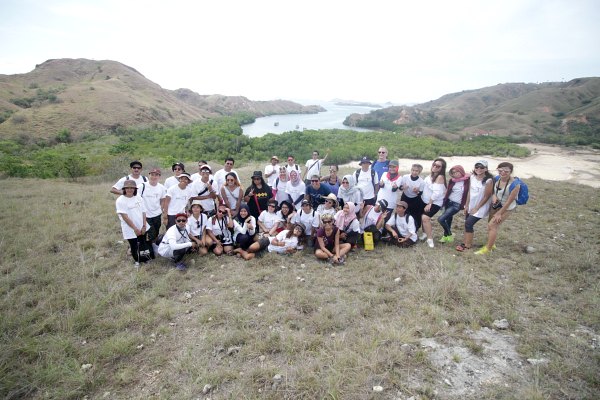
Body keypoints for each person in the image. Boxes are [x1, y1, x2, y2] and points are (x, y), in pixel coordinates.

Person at [475, 162, 521, 255]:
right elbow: (492, 190)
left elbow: (509, 201)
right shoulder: (496, 178)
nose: (503, 172)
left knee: (492, 225)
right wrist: (494, 196)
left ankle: (488, 249)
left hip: (506, 208)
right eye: (500, 170)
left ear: (510, 171)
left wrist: (499, 213)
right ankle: (492, 244)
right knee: (491, 225)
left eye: (506, 171)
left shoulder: (515, 185)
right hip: (496, 204)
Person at [456, 160, 494, 252]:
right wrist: (467, 205)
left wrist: (477, 207)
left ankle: (468, 245)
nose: (479, 169)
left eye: (481, 167)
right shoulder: (472, 177)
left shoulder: (488, 181)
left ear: (486, 169)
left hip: (481, 206)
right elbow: (469, 192)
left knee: (469, 223)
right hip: (471, 204)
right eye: (477, 167)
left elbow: (487, 196)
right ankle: (465, 241)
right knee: (467, 223)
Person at [115, 179, 153, 266]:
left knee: (143, 242)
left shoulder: (138, 197)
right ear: (124, 189)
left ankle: (145, 258)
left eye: (132, 188)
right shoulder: (120, 200)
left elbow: (144, 211)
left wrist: (144, 226)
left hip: (141, 225)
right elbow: (125, 217)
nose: (130, 189)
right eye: (127, 188)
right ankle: (137, 260)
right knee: (134, 245)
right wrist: (135, 229)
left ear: (135, 189)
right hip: (130, 228)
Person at [234, 224, 305, 260]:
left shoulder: (299, 242)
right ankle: (246, 250)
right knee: (252, 248)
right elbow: (274, 241)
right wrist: (279, 243)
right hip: (268, 241)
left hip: (271, 251)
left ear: (301, 233)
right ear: (294, 228)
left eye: (300, 230)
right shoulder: (286, 232)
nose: (297, 231)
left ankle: (240, 251)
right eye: (297, 228)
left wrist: (291, 251)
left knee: (247, 257)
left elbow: (297, 251)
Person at [437, 165, 470, 243]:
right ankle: (445, 237)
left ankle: (450, 234)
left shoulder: (468, 180)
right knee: (448, 219)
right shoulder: (452, 180)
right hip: (449, 202)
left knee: (441, 219)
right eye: (454, 173)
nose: (456, 174)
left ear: (461, 171)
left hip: (457, 205)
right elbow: (448, 190)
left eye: (457, 171)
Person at [420, 158, 447, 248]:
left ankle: (430, 239)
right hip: (425, 200)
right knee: (422, 216)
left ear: (442, 168)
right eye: (434, 165)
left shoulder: (440, 177)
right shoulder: (431, 175)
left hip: (434, 202)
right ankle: (424, 233)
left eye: (438, 166)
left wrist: (430, 203)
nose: (435, 167)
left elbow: (437, 193)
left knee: (425, 218)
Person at [142, 167, 166, 244]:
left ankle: (154, 245)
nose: (154, 177)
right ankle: (148, 246)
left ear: (159, 177)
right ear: (149, 175)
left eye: (156, 175)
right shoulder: (142, 186)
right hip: (146, 215)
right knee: (150, 232)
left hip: (157, 214)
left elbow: (162, 200)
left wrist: (161, 209)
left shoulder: (161, 187)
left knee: (156, 231)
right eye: (152, 174)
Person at [400, 164, 424, 229]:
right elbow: (400, 187)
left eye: (416, 171)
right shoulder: (405, 177)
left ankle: (415, 228)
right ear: (411, 170)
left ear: (419, 172)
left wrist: (417, 191)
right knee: (403, 212)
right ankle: (402, 227)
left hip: (415, 199)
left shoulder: (421, 181)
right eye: (413, 170)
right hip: (405, 197)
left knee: (415, 215)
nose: (414, 172)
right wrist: (403, 187)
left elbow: (420, 193)